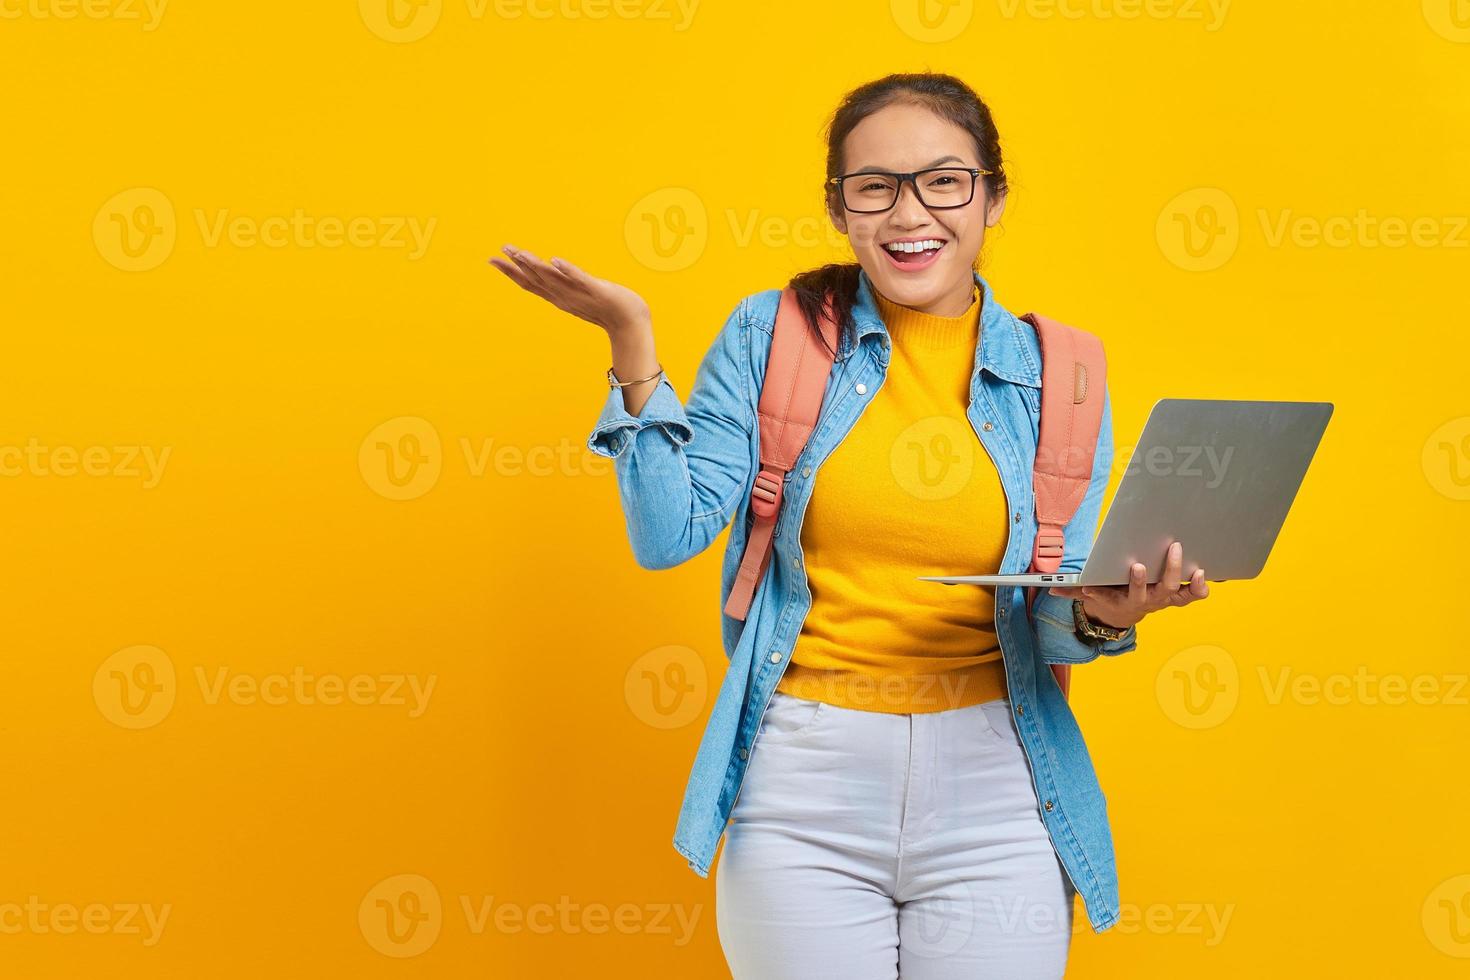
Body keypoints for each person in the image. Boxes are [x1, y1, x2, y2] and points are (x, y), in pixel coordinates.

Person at [491, 71, 1210, 980]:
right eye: (874, 186)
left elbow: (1056, 613)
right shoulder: (772, 335)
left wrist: (1109, 612)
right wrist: (633, 348)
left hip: (998, 785)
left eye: (944, 180)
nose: (909, 212)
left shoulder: (1062, 372)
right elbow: (666, 534)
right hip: (805, 785)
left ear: (992, 195)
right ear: (841, 208)